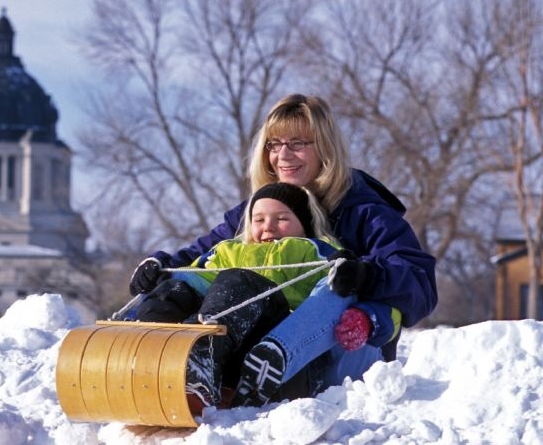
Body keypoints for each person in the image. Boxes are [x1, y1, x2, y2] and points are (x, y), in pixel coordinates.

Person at [128, 93, 437, 406]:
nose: (283, 155)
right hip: (266, 336)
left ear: (325, 147)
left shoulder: (364, 212)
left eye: (298, 143)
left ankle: (270, 361)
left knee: (328, 290)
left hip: (341, 349)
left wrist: (366, 276)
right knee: (229, 282)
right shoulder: (259, 209)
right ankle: (147, 355)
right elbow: (205, 255)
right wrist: (161, 267)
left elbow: (418, 282)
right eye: (274, 145)